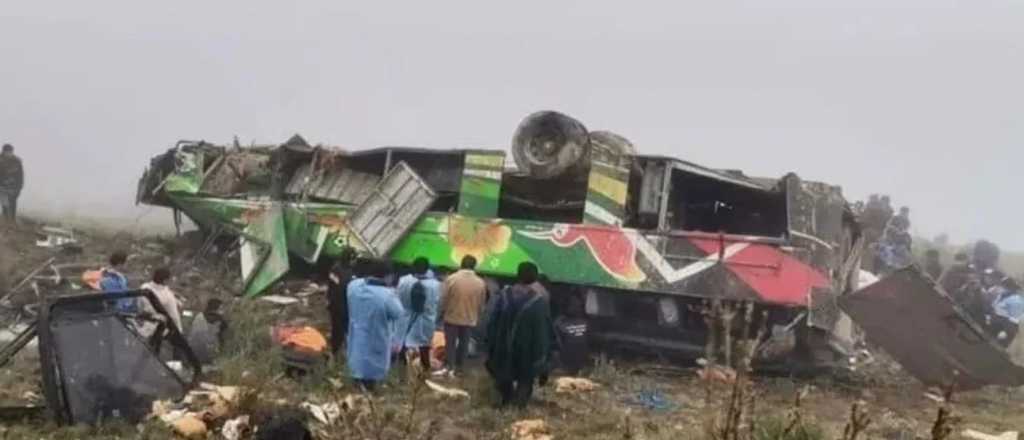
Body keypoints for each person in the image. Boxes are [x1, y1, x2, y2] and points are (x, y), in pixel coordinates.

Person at [486, 262, 552, 408]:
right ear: (535, 278)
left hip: (502, 348)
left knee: (503, 379)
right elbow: (541, 333)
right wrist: (542, 361)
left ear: (517, 275)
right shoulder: (538, 302)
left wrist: (490, 347)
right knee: (525, 381)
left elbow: (492, 322)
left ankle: (506, 403)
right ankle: (517, 410)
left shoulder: (503, 296)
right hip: (526, 351)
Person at [347, 259, 404, 391]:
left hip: (357, 336)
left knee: (358, 363)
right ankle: (369, 392)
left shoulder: (353, 287)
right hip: (377, 336)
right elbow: (398, 313)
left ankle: (357, 387)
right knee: (373, 369)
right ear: (388, 276)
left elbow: (361, 282)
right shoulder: (387, 295)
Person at [437, 255, 487, 377]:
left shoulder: (451, 279)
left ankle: (449, 366)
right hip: (469, 318)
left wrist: (441, 313)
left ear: (461, 264)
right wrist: (477, 315)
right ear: (474, 266)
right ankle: (460, 367)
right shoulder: (480, 283)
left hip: (452, 317)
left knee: (450, 343)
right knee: (464, 344)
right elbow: (481, 303)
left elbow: (443, 299)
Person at [395, 257, 441, 374]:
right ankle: (425, 369)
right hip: (426, 320)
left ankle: (401, 369)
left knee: (403, 345)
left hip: (406, 318)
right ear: (427, 269)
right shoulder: (436, 285)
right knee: (424, 346)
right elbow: (438, 302)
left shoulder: (403, 281)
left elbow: (397, 297)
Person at [139, 267, 184, 342]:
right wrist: (179, 331)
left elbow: (140, 305)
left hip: (143, 327)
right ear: (165, 280)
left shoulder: (144, 287)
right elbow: (173, 315)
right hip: (160, 330)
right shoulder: (167, 296)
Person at [326, 248, 357, 355]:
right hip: (343, 308)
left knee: (335, 330)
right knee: (343, 331)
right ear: (350, 259)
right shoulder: (349, 275)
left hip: (333, 305)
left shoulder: (334, 268)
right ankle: (340, 352)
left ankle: (335, 350)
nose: (355, 262)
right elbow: (347, 290)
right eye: (354, 259)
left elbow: (331, 285)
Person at [553, 295, 591, 375]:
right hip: (566, 365)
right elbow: (556, 346)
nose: (576, 307)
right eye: (574, 305)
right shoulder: (560, 323)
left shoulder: (586, 322)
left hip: (581, 365)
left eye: (578, 305)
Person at [0, 144, 23, 223]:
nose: (9, 153)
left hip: (14, 187)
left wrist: (19, 187)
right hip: (2, 187)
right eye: (7, 152)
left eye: (10, 152)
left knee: (13, 203)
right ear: (3, 152)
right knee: (5, 204)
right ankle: (5, 220)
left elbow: (20, 176)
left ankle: (12, 220)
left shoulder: (17, 161)